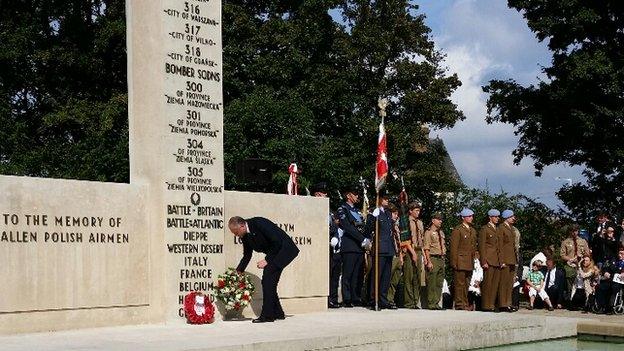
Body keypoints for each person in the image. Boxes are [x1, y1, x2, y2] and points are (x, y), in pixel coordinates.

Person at [229, 216, 300, 323]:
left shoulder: (259, 223)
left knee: (268, 278)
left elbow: (277, 242)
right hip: (275, 253)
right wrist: (239, 270)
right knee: (269, 282)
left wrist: (267, 260)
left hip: (285, 250)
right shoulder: (244, 235)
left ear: (242, 226)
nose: (235, 234)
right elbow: (247, 254)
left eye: (235, 231)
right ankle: (278, 313)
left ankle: (267, 316)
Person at [337, 187, 370, 308]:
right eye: (355, 194)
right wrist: (361, 239)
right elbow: (347, 226)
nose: (357, 197)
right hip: (350, 245)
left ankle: (356, 297)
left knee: (358, 274)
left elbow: (362, 226)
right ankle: (347, 298)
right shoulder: (343, 209)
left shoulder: (357, 210)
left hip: (359, 247)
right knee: (348, 273)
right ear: (348, 196)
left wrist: (367, 238)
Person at [366, 199, 398, 310]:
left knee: (386, 277)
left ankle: (383, 300)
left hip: (388, 248)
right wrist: (372, 218)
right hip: (379, 248)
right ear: (379, 200)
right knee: (377, 276)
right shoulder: (374, 212)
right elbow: (368, 230)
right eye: (385, 199)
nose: (387, 201)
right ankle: (373, 300)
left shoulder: (388, 213)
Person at [450, 208, 478, 311]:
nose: (471, 218)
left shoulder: (472, 230)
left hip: (469, 261)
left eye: (472, 216)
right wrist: (454, 262)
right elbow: (454, 248)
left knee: (466, 284)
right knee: (459, 284)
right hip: (460, 261)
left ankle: (465, 303)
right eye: (469, 216)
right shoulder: (458, 230)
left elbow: (473, 247)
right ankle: (459, 304)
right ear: (463, 217)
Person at [478, 209, 501, 312]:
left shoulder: (497, 229)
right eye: (495, 217)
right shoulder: (485, 229)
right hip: (489, 260)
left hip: (497, 260)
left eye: (498, 217)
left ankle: (491, 304)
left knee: (495, 284)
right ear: (490, 217)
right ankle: (486, 305)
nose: (497, 218)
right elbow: (482, 246)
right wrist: (483, 261)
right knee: (487, 284)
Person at [560, 224, 590, 300]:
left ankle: (585, 298)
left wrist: (582, 256)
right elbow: (562, 255)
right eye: (572, 231)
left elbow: (587, 253)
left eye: (576, 231)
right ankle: (570, 298)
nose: (574, 233)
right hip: (570, 264)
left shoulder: (583, 241)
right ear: (570, 232)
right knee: (570, 275)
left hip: (581, 264)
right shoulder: (565, 242)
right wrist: (570, 259)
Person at [423, 212, 446, 309]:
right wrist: (428, 261)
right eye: (438, 219)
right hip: (433, 258)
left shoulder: (441, 232)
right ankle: (431, 303)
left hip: (441, 258)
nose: (440, 221)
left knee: (439, 282)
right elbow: (426, 248)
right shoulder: (428, 232)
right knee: (432, 282)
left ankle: (436, 302)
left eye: (441, 219)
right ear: (433, 220)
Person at [404, 202, 425, 309]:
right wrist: (412, 252)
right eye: (416, 210)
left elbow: (422, 240)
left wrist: (424, 256)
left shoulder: (420, 223)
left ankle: (415, 301)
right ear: (410, 211)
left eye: (419, 210)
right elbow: (405, 239)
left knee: (417, 277)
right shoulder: (406, 221)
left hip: (419, 250)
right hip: (409, 250)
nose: (418, 212)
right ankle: (409, 302)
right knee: (409, 276)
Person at [498, 209, 518, 312]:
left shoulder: (511, 228)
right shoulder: (501, 228)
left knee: (510, 283)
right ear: (506, 217)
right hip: (505, 259)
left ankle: (508, 303)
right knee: (504, 283)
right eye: (511, 217)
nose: (514, 218)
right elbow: (500, 246)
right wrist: (501, 261)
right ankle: (503, 304)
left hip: (512, 259)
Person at [597, 247, 624, 314]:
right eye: (619, 253)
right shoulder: (613, 260)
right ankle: (602, 306)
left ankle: (610, 307)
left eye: (622, 254)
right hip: (610, 279)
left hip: (620, 282)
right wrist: (605, 272)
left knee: (614, 288)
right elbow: (605, 267)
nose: (620, 255)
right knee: (601, 287)